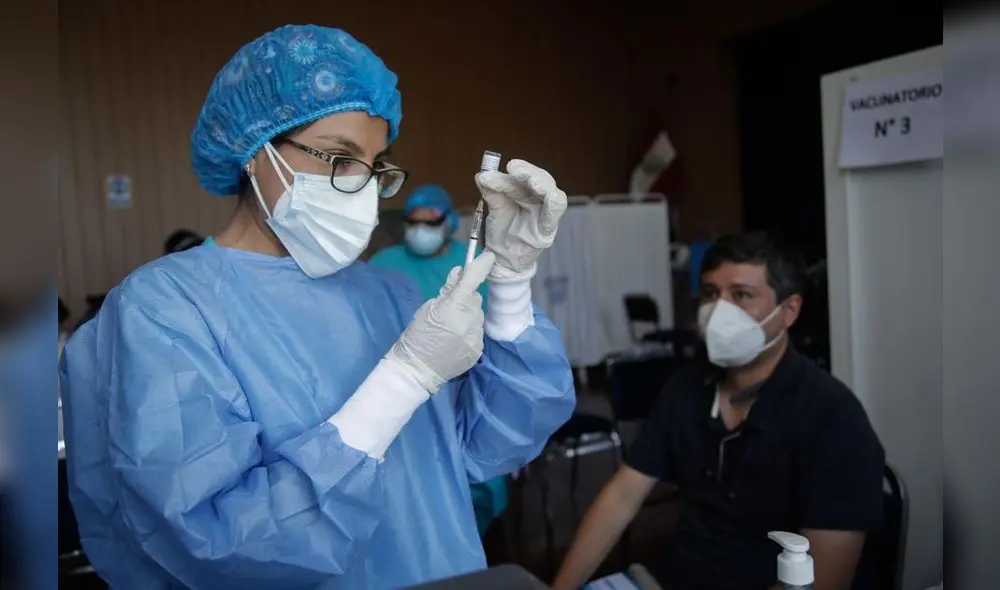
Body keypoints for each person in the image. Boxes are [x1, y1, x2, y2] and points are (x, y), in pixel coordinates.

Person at [59, 24, 574, 590]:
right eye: (338, 157)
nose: (364, 187)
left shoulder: (388, 293)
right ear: (256, 153)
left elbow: (494, 441)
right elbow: (221, 543)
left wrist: (510, 278)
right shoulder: (165, 310)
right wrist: (403, 379)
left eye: (376, 167)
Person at [553, 232, 885, 590]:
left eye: (741, 295)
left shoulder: (832, 417)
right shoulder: (685, 389)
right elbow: (622, 496)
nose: (718, 311)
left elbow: (825, 578)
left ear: (789, 310)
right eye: (711, 294)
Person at [369, 185, 507, 536]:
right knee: (412, 487)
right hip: (402, 385)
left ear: (449, 223)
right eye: (412, 222)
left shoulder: (474, 263)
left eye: (429, 223)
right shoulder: (384, 264)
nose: (419, 230)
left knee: (471, 479)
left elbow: (497, 330)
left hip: (465, 387)